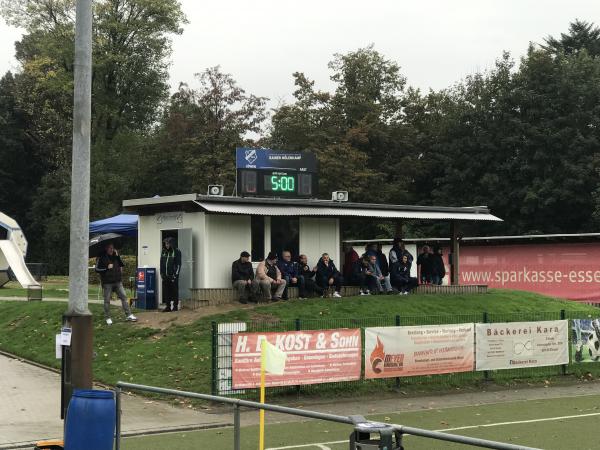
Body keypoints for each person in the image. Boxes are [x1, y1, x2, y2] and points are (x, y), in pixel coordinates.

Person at [95, 243, 137, 325]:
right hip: (107, 283)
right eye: (110, 248)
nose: (112, 249)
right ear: (106, 248)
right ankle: (108, 318)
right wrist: (106, 268)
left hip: (118, 281)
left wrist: (117, 256)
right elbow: (97, 269)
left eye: (113, 248)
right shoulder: (101, 257)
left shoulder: (115, 255)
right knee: (107, 300)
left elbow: (122, 264)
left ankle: (129, 315)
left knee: (124, 297)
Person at [160, 237, 182, 312]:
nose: (166, 245)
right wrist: (161, 273)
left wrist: (175, 276)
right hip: (165, 276)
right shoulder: (163, 251)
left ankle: (175, 306)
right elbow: (161, 263)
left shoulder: (177, 251)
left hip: (173, 276)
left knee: (174, 291)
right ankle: (168, 307)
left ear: (171, 244)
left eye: (168, 243)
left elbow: (178, 265)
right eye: (165, 243)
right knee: (166, 292)